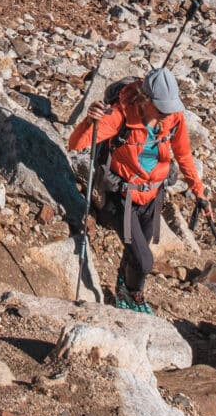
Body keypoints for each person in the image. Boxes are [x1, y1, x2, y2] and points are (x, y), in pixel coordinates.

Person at [68, 65, 208, 312]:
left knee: (136, 252)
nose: (168, 113)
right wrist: (91, 120)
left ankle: (127, 291)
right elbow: (76, 144)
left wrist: (199, 192)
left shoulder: (173, 118)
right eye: (162, 108)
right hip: (122, 197)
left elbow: (183, 154)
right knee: (144, 261)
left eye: (171, 107)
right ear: (145, 99)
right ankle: (133, 295)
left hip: (153, 196)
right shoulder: (119, 116)